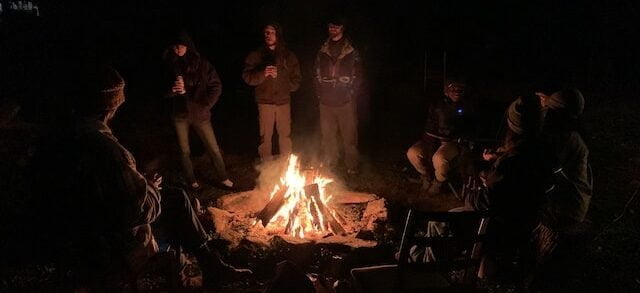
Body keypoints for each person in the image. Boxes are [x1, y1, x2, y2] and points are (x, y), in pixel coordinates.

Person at [32, 65, 250, 290]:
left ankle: (207, 264)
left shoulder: (59, 140)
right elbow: (139, 211)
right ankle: (202, 268)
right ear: (110, 108)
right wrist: (150, 187)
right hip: (108, 244)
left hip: (72, 236)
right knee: (177, 205)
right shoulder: (107, 150)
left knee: (176, 196)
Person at [163, 31, 233, 190]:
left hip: (200, 114)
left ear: (188, 45)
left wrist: (206, 104)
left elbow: (217, 85)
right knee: (184, 150)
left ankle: (223, 178)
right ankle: (191, 180)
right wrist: (172, 90)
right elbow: (161, 90)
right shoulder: (169, 64)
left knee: (213, 148)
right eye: (174, 46)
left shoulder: (202, 64)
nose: (177, 49)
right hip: (179, 115)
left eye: (180, 45)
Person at [533, 88, 592, 273]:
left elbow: (544, 175)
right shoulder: (570, 133)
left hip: (565, 209)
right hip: (573, 202)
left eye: (549, 109)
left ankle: (531, 268)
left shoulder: (565, 138)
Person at [243, 22, 301, 162]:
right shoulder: (257, 55)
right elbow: (247, 77)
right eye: (266, 32)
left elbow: (296, 80)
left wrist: (283, 84)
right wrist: (263, 74)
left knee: (285, 136)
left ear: (278, 35)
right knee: (265, 137)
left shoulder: (288, 56)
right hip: (265, 102)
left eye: (272, 32)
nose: (268, 35)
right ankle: (267, 168)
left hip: (283, 102)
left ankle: (286, 164)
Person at [406, 77, 475, 194]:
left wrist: (460, 136)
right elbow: (429, 125)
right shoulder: (437, 104)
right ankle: (426, 176)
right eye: (453, 89)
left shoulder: (468, 107)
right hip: (431, 140)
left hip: (452, 142)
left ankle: (438, 182)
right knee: (413, 153)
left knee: (439, 159)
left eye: (460, 89)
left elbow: (471, 128)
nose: (457, 92)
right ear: (446, 91)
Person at [314, 15, 363, 174]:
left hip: (345, 102)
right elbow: (315, 73)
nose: (332, 29)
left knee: (349, 137)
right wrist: (320, 92)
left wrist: (350, 93)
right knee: (328, 137)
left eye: (335, 27)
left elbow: (359, 75)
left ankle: (352, 166)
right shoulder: (323, 50)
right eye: (330, 27)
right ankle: (331, 164)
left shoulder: (351, 50)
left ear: (342, 28)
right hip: (326, 102)